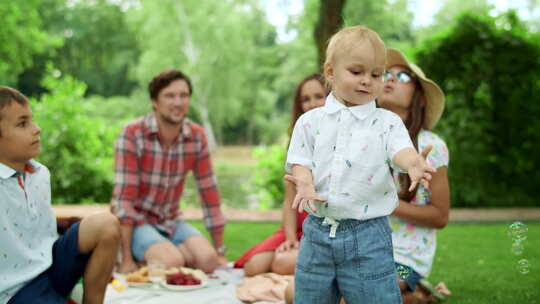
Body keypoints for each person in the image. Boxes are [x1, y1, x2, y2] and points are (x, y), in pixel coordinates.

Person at [284, 26, 436, 304]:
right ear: (330, 72)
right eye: (357, 72)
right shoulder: (310, 121)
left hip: (368, 236)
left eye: (376, 75)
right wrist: (304, 182)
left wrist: (413, 163)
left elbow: (401, 150)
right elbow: (300, 161)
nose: (367, 81)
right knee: (308, 298)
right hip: (317, 233)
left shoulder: (387, 122)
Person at [0, 86, 120, 304]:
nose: (36, 129)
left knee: (107, 224)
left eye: (32, 120)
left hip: (51, 266)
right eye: (22, 123)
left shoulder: (40, 174)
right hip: (15, 289)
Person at [111, 69, 226, 275]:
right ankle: (153, 259)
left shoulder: (196, 136)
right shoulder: (132, 134)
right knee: (172, 262)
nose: (178, 102)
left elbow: (210, 195)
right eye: (170, 96)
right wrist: (125, 258)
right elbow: (123, 201)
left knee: (209, 262)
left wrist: (219, 250)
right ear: (155, 102)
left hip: (171, 221)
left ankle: (166, 257)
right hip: (138, 221)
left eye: (183, 95)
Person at [234, 74, 328, 276]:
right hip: (296, 227)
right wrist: (290, 238)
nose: (312, 104)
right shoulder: (299, 141)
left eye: (319, 96)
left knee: (282, 264)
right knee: (252, 267)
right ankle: (295, 273)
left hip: (321, 228)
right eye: (306, 99)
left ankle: (300, 280)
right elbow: (288, 201)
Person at [379, 48, 451, 303]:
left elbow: (440, 216)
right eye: (386, 74)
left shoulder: (431, 147)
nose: (390, 79)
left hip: (404, 261)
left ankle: (415, 292)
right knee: (299, 292)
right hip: (363, 249)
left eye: (404, 77)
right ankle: (416, 295)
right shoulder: (366, 139)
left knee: (361, 295)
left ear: (420, 98)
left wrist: (389, 204)